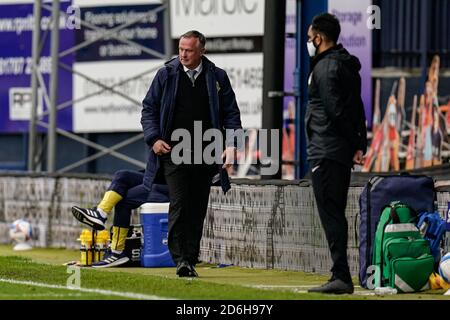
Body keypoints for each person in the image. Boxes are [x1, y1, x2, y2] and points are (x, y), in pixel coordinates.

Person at [141, 30, 242, 277]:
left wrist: (231, 144)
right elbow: (148, 109)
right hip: (174, 153)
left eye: (189, 50)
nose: (183, 54)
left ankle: (191, 258)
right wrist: (154, 139)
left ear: (201, 51)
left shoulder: (217, 77)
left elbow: (232, 113)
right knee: (179, 203)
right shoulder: (166, 74)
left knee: (198, 207)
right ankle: (181, 259)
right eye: (181, 49)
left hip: (206, 153)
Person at [305, 13, 367, 294]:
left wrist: (352, 141)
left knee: (331, 214)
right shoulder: (346, 65)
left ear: (319, 37)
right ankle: (340, 274)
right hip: (339, 150)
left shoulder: (324, 68)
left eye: (309, 37)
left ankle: (341, 275)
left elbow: (335, 110)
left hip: (326, 150)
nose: (308, 42)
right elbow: (357, 108)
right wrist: (358, 144)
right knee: (336, 213)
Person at [71, 169, 169, 268]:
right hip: (158, 179)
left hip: (170, 185)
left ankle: (117, 251)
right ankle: (100, 213)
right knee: (122, 175)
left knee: (123, 199)